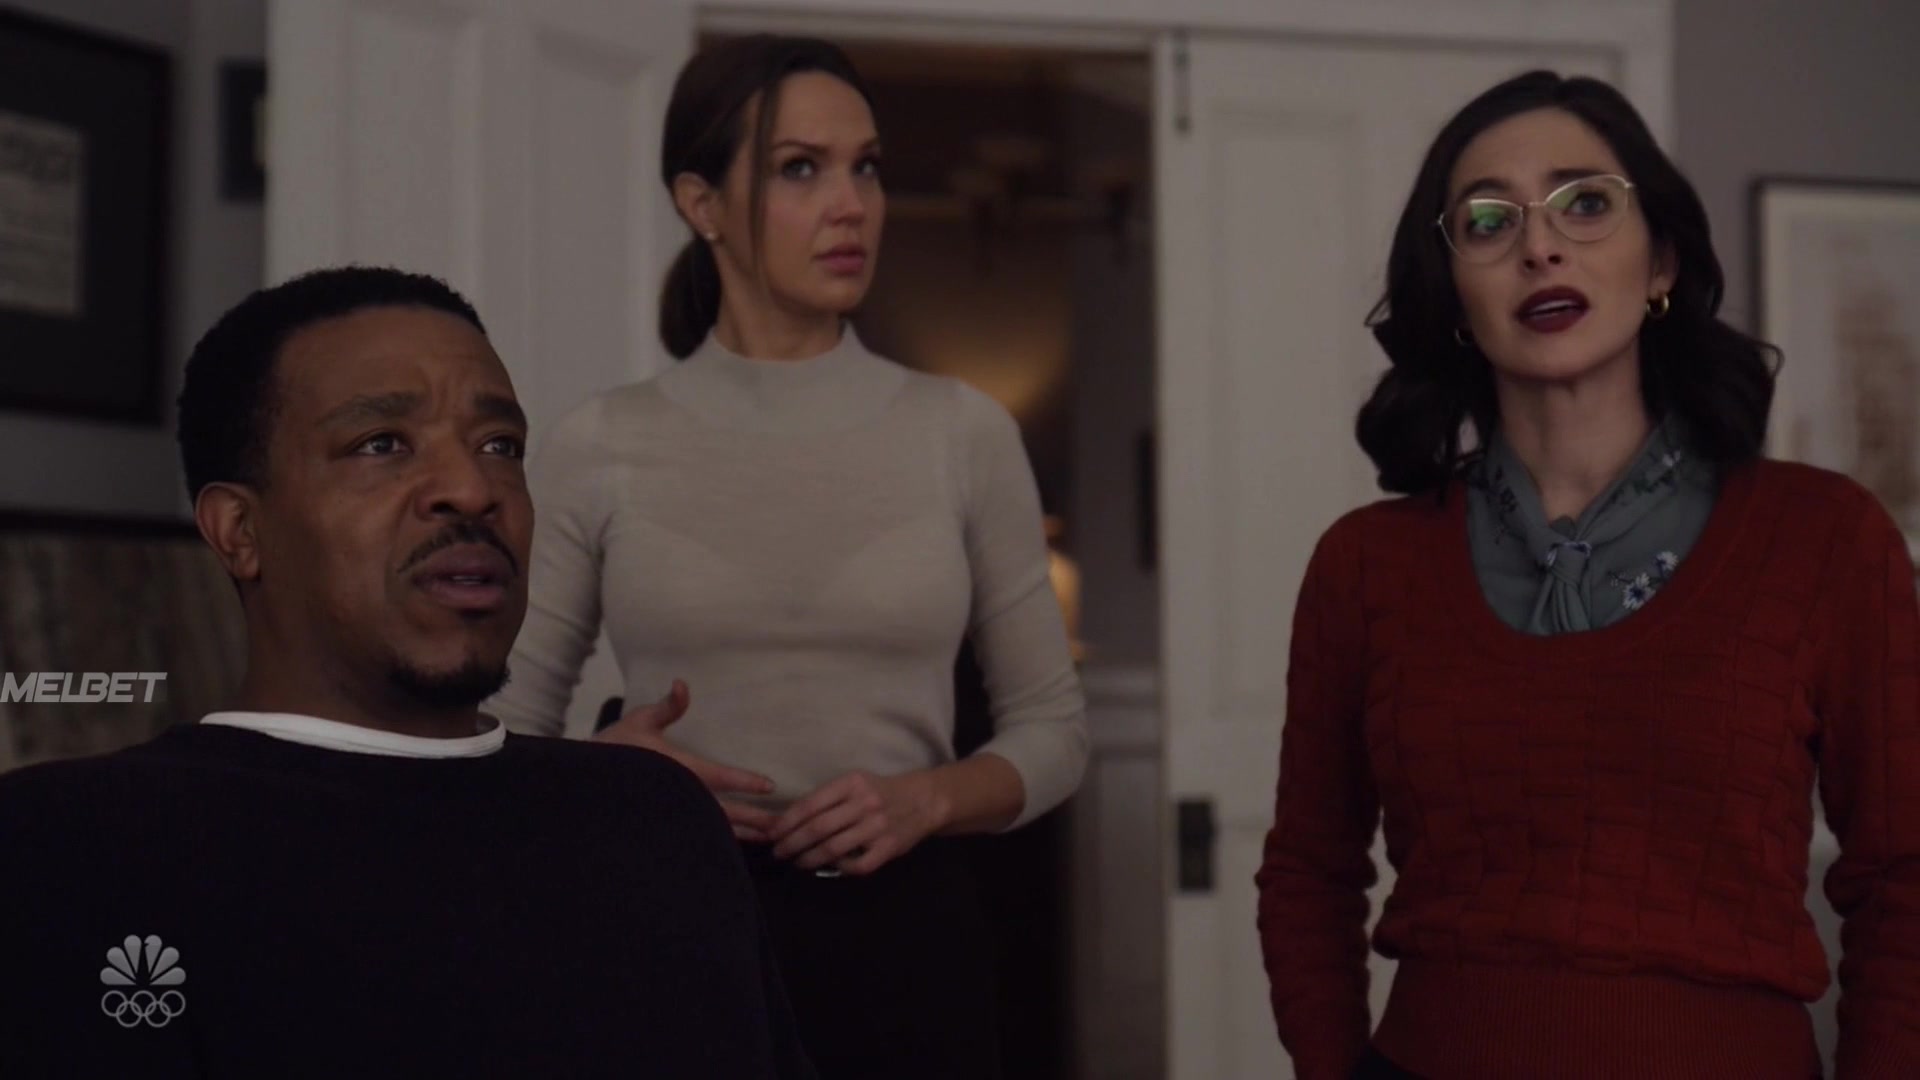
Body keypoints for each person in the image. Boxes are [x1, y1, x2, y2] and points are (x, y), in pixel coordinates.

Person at [1254, 70, 1920, 1080]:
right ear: (1454, 294)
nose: (1540, 245)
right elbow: (1309, 870)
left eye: (1586, 203)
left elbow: (1904, 878)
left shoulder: (1824, 537)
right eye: (1488, 222)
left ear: (1661, 262)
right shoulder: (1367, 562)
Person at [0, 267, 814, 1079]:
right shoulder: (80, 843)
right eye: (382, 444)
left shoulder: (655, 818)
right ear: (240, 531)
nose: (472, 488)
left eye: (500, 446)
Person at [487, 34, 1089, 1078]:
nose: (852, 205)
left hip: (908, 946)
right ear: (701, 203)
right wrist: (608, 771)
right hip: (677, 933)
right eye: (801, 168)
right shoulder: (603, 441)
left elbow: (1056, 732)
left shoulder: (963, 432)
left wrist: (926, 800)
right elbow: (498, 737)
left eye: (867, 167)